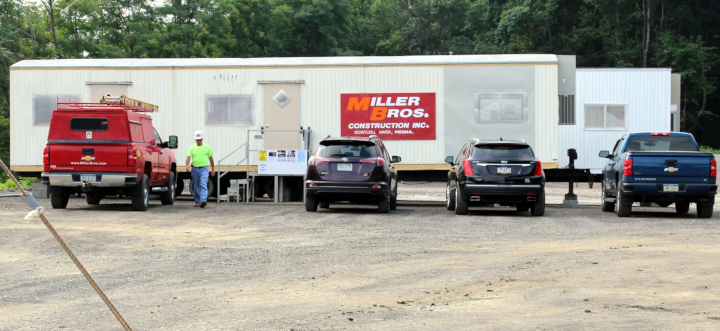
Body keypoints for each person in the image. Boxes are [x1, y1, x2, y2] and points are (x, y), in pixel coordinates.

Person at [186, 130, 215, 208]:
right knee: (196, 185)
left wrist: (213, 169)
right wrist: (187, 165)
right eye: (197, 140)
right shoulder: (192, 148)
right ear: (195, 140)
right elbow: (188, 157)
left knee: (203, 184)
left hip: (204, 168)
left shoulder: (207, 148)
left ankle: (203, 200)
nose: (198, 141)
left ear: (202, 139)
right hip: (195, 168)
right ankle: (198, 201)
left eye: (199, 140)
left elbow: (211, 159)